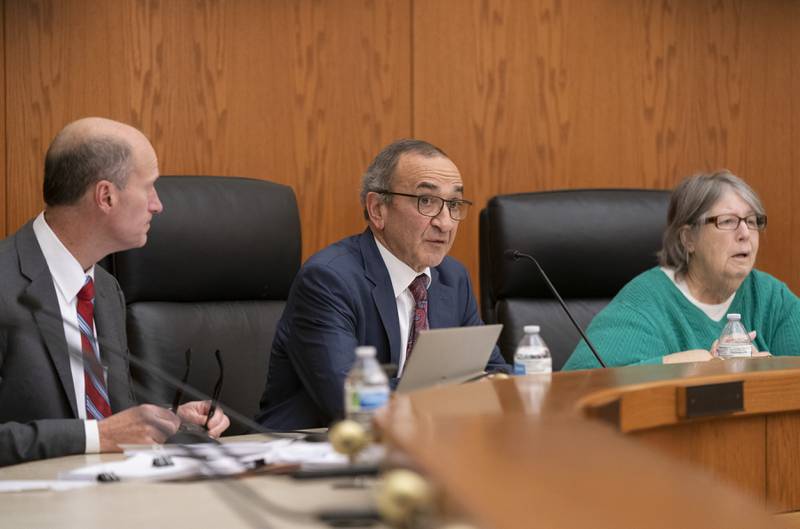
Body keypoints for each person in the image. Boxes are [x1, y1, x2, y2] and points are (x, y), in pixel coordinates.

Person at [0, 117, 229, 467]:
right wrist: (100, 436)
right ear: (106, 196)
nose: (158, 205)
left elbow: (112, 417)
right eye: (149, 187)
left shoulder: (105, 291)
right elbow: (102, 433)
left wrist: (169, 421)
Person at [257, 139, 509, 429]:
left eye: (453, 204)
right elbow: (352, 399)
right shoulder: (328, 280)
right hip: (312, 453)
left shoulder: (452, 278)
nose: (446, 223)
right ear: (378, 209)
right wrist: (460, 392)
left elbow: (495, 372)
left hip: (421, 446)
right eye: (426, 201)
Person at [564, 170, 800, 370]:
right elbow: (581, 379)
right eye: (727, 221)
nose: (745, 234)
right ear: (688, 239)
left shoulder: (771, 297)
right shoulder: (646, 299)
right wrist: (704, 363)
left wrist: (762, 367)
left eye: (751, 221)